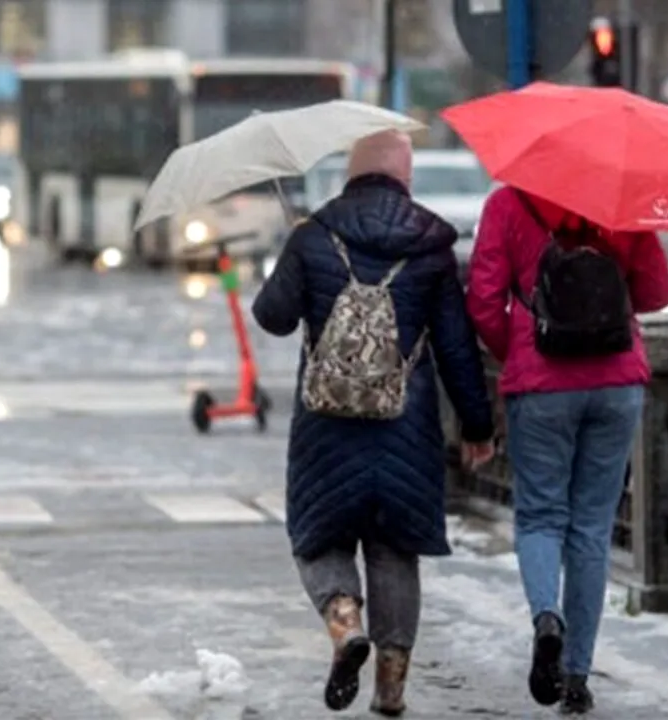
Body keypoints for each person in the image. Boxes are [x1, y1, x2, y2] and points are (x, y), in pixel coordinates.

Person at [252, 130, 495, 716]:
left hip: (324, 426)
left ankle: (344, 623)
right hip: (404, 428)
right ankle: (390, 688)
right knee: (395, 549)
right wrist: (478, 424)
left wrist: (297, 253)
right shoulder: (431, 245)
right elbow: (458, 346)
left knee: (317, 537)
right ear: (404, 179)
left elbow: (272, 318)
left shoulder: (314, 234)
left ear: (349, 174)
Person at [466, 187, 668, 714]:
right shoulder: (620, 200)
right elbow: (655, 291)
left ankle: (545, 618)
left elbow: (484, 302)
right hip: (616, 381)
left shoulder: (507, 205)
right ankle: (577, 676)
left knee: (540, 517)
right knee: (591, 529)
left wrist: (515, 351)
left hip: (540, 384)